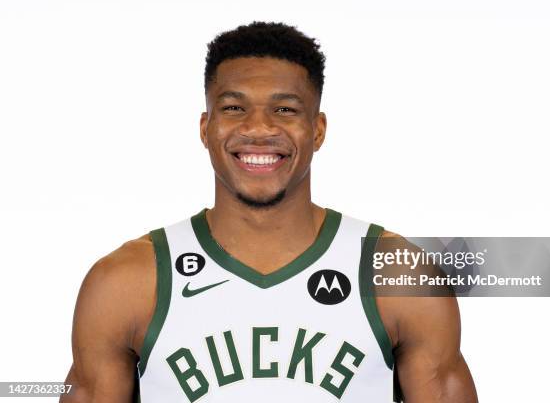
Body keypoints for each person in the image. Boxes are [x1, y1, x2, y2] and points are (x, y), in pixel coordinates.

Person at [61, 21, 478, 402]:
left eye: (284, 109)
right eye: (234, 107)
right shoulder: (126, 282)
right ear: (206, 128)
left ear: (317, 130)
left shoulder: (399, 275)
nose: (259, 128)